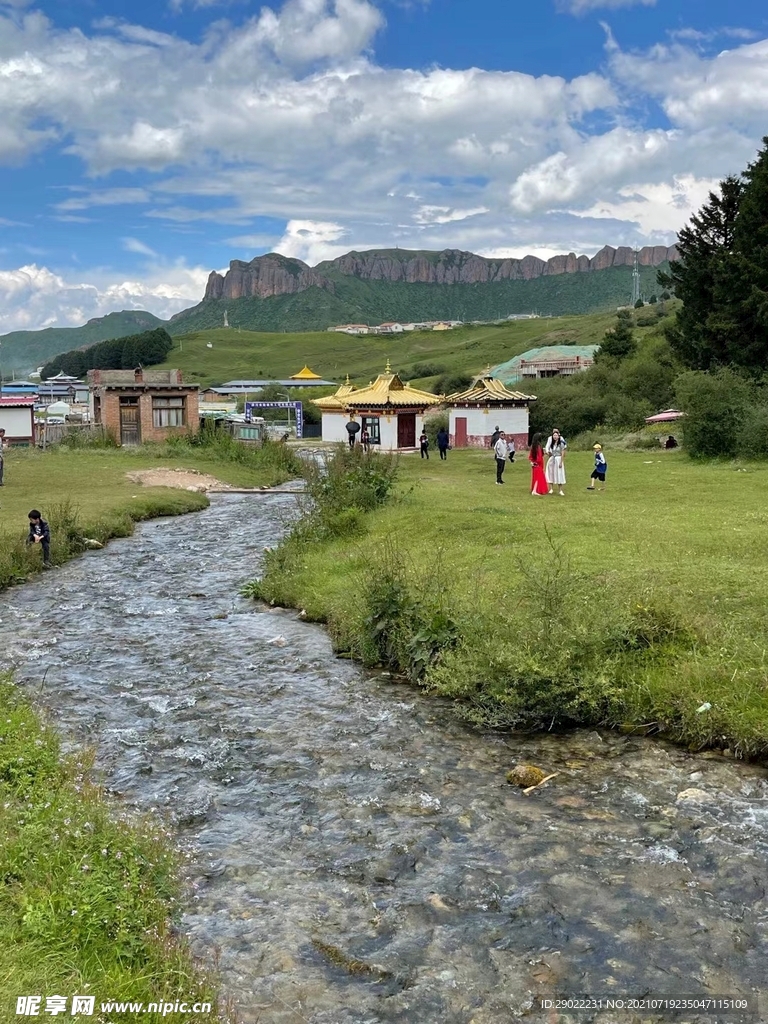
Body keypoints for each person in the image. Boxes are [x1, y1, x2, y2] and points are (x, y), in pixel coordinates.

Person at [545, 428, 567, 496]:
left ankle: (560, 490)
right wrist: (548, 453)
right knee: (551, 473)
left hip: (558, 458)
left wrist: (561, 462)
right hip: (552, 458)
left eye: (556, 435)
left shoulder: (561, 443)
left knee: (559, 474)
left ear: (558, 435)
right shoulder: (551, 441)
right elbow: (547, 448)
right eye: (554, 435)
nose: (555, 436)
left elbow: (563, 452)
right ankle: (551, 488)